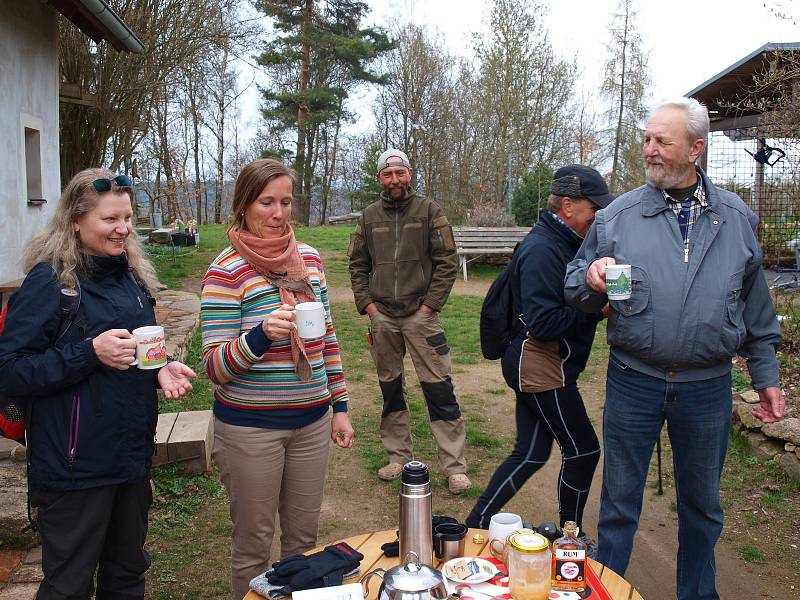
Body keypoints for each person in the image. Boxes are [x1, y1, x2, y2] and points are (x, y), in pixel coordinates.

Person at [565, 97, 785, 600]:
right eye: (646, 140)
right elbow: (573, 283)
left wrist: (766, 378)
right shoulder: (619, 215)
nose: (650, 150)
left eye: (662, 141)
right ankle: (607, 592)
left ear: (696, 149)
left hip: (707, 388)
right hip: (633, 380)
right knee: (619, 504)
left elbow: (757, 312)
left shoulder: (735, 218)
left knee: (703, 508)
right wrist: (592, 278)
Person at [0, 168, 196, 599]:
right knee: (68, 585)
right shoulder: (50, 282)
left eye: (127, 218)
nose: (123, 229)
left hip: (129, 456)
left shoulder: (130, 276)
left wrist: (160, 369)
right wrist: (89, 352)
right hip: (74, 468)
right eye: (110, 220)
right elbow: (12, 369)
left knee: (126, 575)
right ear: (75, 220)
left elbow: (137, 352)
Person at [200, 158, 354, 600]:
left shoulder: (309, 259)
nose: (278, 213)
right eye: (266, 202)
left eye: (286, 202)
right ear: (244, 205)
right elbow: (213, 366)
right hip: (250, 429)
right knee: (253, 546)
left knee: (304, 544)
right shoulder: (225, 271)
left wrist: (339, 407)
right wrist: (260, 336)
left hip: (311, 423)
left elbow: (327, 341)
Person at [465, 165, 612, 545]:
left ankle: (475, 524)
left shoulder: (562, 242)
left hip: (535, 360)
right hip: (540, 363)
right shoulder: (544, 248)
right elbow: (545, 323)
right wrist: (596, 308)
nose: (598, 216)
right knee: (583, 452)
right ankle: (571, 541)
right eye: (594, 208)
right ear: (568, 205)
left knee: (530, 452)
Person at [348, 148, 471, 494]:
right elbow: (357, 264)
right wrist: (368, 306)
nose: (395, 180)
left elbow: (447, 260)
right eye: (388, 175)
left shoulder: (429, 211)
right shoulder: (370, 217)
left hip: (421, 317)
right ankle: (397, 457)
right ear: (379, 179)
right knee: (390, 389)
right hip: (382, 317)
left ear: (410, 173)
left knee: (439, 389)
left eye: (400, 173)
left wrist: (430, 306)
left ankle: (454, 466)